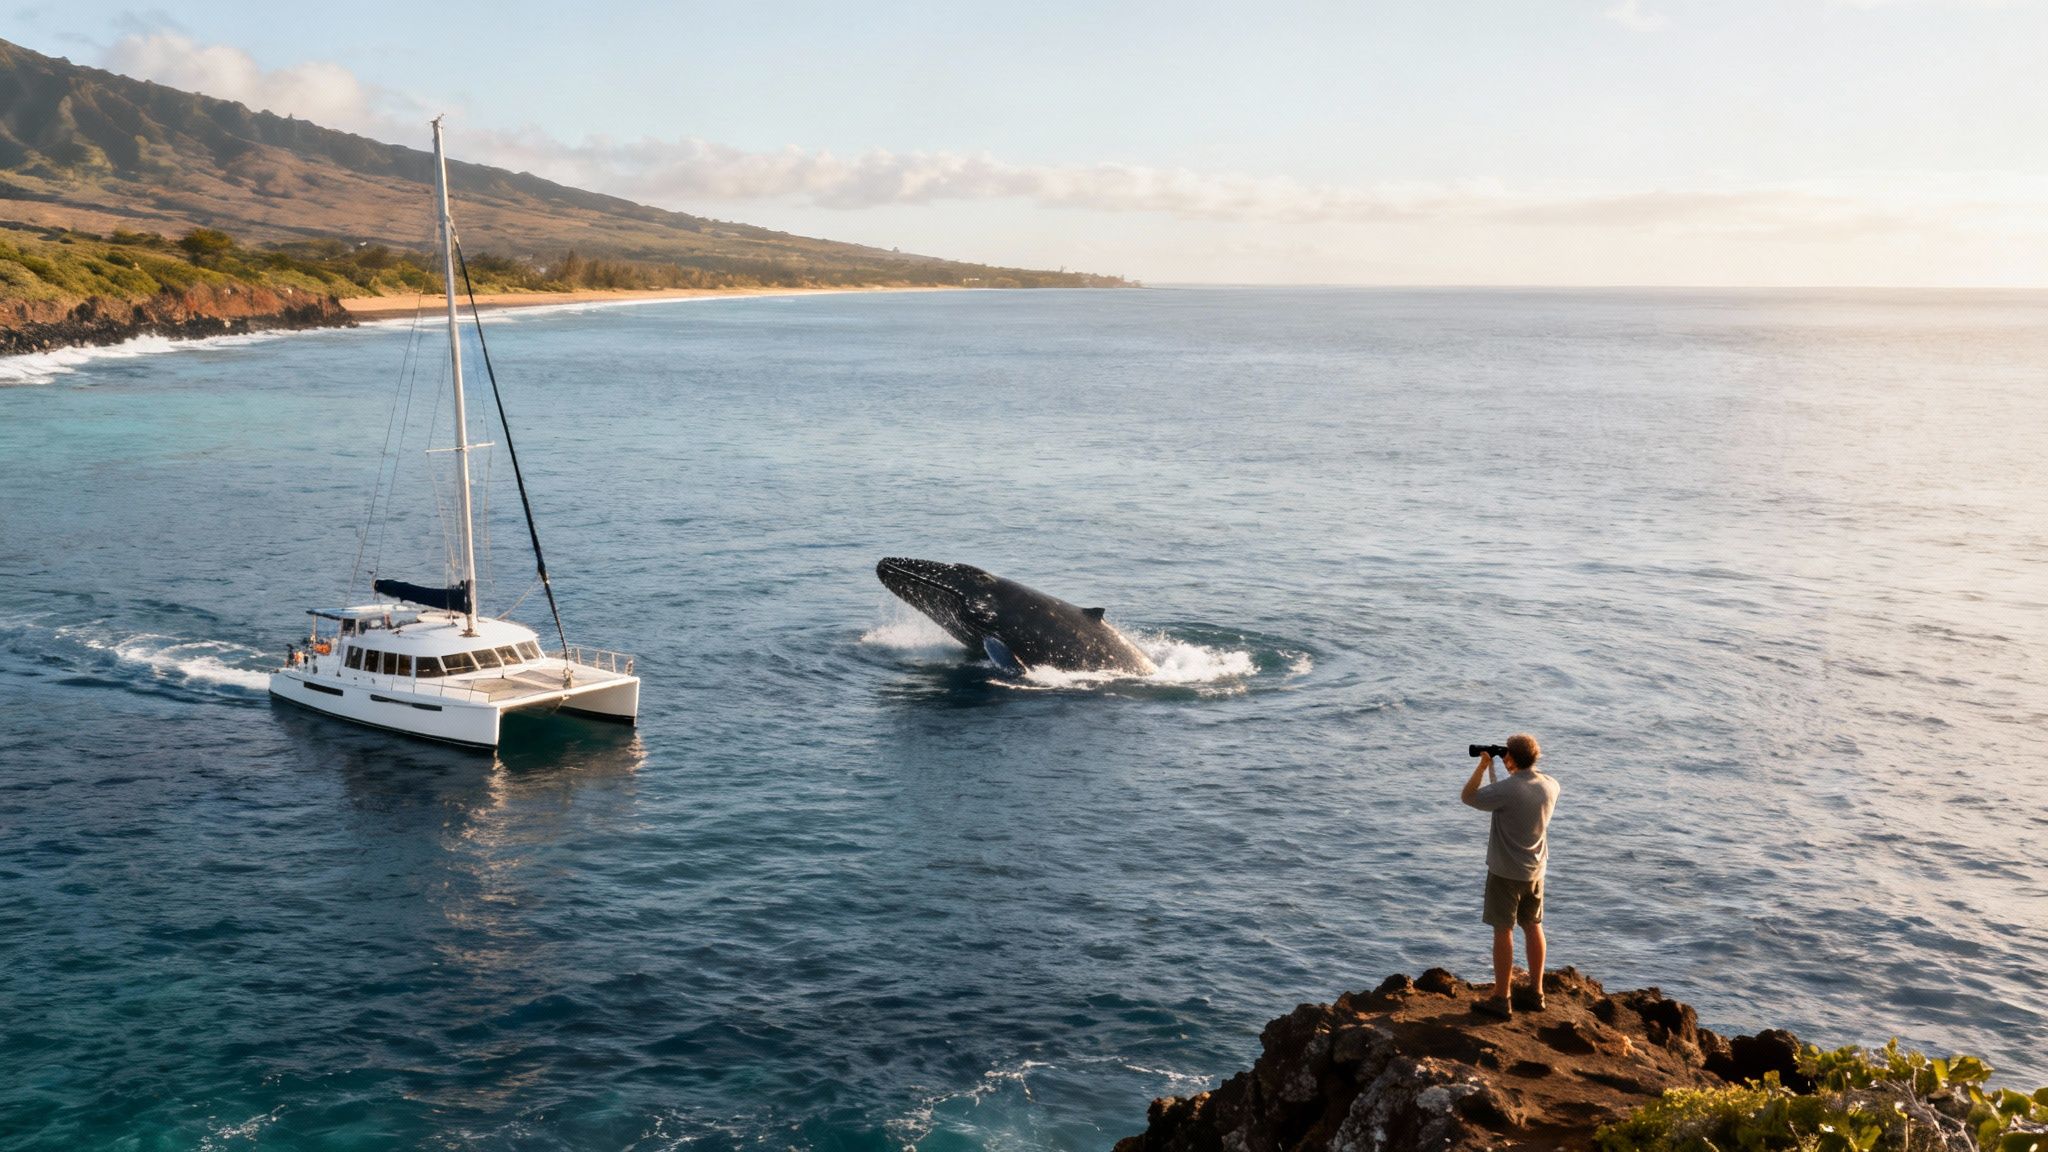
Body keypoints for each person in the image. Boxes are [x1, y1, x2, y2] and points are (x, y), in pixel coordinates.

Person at [1460, 732, 1559, 1018]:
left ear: (1511, 758)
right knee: (1533, 925)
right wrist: (1505, 770)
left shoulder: (1507, 790)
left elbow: (1469, 797)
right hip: (1535, 871)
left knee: (1503, 930)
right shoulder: (1551, 786)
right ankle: (1536, 993)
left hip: (1505, 873)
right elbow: (1509, 797)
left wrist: (1482, 766)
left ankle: (1502, 998)